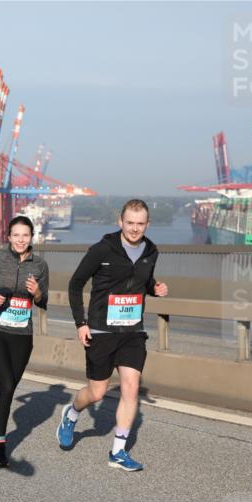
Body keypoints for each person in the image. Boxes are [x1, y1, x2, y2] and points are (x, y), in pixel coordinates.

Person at [55, 199, 168, 471]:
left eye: (140, 224)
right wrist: (81, 323)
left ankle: (118, 452)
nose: (134, 229)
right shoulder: (102, 249)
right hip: (101, 329)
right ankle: (71, 414)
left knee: (131, 387)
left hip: (132, 331)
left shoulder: (151, 250)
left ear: (147, 224)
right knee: (96, 392)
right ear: (120, 221)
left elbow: (144, 280)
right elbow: (75, 284)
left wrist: (155, 288)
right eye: (130, 223)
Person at [0, 216, 49, 467]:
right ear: (8, 236)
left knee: (9, 388)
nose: (20, 240)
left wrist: (36, 291)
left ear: (31, 237)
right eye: (16, 235)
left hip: (22, 336)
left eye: (25, 235)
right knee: (5, 385)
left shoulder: (40, 266)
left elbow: (42, 301)